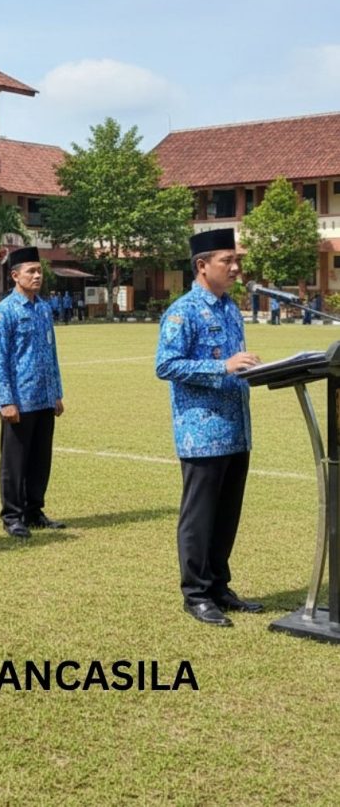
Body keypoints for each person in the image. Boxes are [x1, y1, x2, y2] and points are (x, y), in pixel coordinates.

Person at [156, 227, 264, 627]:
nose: (235, 268)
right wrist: (223, 367)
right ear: (202, 265)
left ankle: (219, 586)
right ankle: (197, 594)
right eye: (227, 261)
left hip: (236, 428)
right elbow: (166, 364)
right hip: (201, 432)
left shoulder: (230, 309)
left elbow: (234, 364)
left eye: (237, 261)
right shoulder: (182, 311)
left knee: (226, 514)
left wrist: (251, 369)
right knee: (200, 516)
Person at [0, 246, 65, 539]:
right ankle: (12, 515)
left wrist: (56, 392)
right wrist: (6, 400)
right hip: (19, 400)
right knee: (15, 462)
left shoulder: (44, 309)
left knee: (40, 459)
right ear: (14, 275)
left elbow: (52, 353)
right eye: (31, 271)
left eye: (39, 270)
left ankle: (34, 510)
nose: (37, 276)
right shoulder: (4, 312)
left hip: (44, 397)